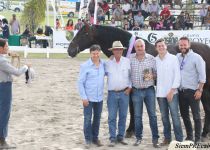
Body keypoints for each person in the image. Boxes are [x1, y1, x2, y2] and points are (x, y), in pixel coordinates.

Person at [0, 38, 30, 149]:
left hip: (2, 86)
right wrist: (26, 67)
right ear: (0, 48)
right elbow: (17, 72)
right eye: (6, 46)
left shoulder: (2, 58)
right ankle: (2, 141)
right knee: (5, 113)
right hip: (4, 87)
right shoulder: (2, 61)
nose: (8, 48)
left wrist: (8, 53)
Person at [130, 39, 160, 148]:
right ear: (134, 47)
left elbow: (157, 74)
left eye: (141, 46)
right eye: (137, 46)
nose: (139, 48)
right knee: (137, 116)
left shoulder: (152, 59)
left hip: (149, 90)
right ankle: (138, 138)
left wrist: (150, 76)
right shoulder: (130, 58)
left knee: (153, 115)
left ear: (144, 47)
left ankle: (155, 138)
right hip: (136, 91)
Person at [177, 37, 206, 143]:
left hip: (193, 92)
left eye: (185, 45)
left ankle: (197, 139)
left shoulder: (196, 57)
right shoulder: (177, 57)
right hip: (181, 91)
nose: (183, 47)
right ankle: (189, 136)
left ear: (189, 45)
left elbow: (202, 76)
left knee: (196, 116)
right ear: (179, 46)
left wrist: (200, 90)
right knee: (185, 115)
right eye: (181, 45)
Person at [155, 38, 183, 145]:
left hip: (172, 93)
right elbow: (155, 76)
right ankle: (167, 138)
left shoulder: (173, 58)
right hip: (160, 94)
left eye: (162, 45)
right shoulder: (155, 60)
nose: (161, 47)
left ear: (166, 46)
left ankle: (179, 140)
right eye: (159, 46)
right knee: (164, 117)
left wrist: (172, 91)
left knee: (175, 116)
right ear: (156, 48)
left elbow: (177, 76)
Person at [78, 44, 105, 148]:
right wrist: (84, 97)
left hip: (99, 98)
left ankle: (95, 138)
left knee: (97, 119)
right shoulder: (85, 66)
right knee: (88, 119)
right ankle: (88, 139)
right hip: (88, 98)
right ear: (90, 54)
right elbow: (80, 83)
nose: (95, 55)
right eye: (93, 53)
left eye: (97, 53)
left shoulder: (103, 64)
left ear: (100, 53)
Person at [105, 41, 131, 147]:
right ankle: (112, 137)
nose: (118, 51)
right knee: (111, 117)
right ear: (113, 51)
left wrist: (129, 87)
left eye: (120, 49)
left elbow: (131, 76)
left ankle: (120, 136)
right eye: (116, 49)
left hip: (124, 93)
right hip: (112, 93)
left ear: (122, 50)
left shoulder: (127, 61)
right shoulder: (107, 63)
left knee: (123, 116)